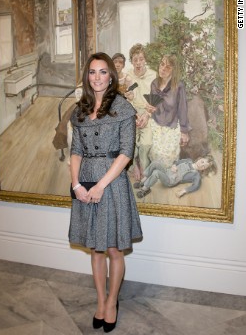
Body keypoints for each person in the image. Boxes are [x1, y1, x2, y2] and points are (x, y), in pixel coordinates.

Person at [69, 52, 143, 333]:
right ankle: (100, 301)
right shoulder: (80, 109)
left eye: (102, 72)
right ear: (87, 77)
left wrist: (101, 185)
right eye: (92, 72)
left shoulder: (122, 108)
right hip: (84, 182)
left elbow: (126, 153)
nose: (97, 77)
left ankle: (112, 301)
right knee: (95, 248)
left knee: (112, 248)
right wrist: (77, 185)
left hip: (112, 184)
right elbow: (76, 151)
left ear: (111, 76)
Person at [144, 54, 191, 168]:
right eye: (162, 64)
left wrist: (184, 132)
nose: (163, 68)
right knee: (153, 152)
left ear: (174, 70)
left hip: (171, 125)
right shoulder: (154, 83)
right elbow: (152, 104)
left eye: (168, 67)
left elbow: (183, 109)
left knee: (167, 159)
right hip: (156, 123)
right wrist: (150, 109)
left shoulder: (179, 86)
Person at [127, 43, 157, 180]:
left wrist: (146, 115)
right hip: (132, 113)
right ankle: (134, 167)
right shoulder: (128, 75)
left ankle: (145, 169)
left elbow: (155, 100)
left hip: (147, 113)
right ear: (131, 61)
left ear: (145, 60)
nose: (138, 63)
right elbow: (126, 98)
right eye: (135, 60)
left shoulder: (153, 75)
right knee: (130, 141)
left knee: (145, 143)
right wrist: (133, 115)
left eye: (141, 59)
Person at [134, 155, 217, 199]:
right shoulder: (188, 160)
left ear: (204, 169)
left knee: (156, 173)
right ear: (200, 158)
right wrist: (174, 165)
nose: (201, 165)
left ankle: (145, 189)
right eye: (202, 162)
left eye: (204, 166)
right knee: (155, 163)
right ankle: (143, 181)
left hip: (170, 180)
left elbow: (196, 186)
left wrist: (184, 191)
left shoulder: (196, 175)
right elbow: (177, 161)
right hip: (167, 171)